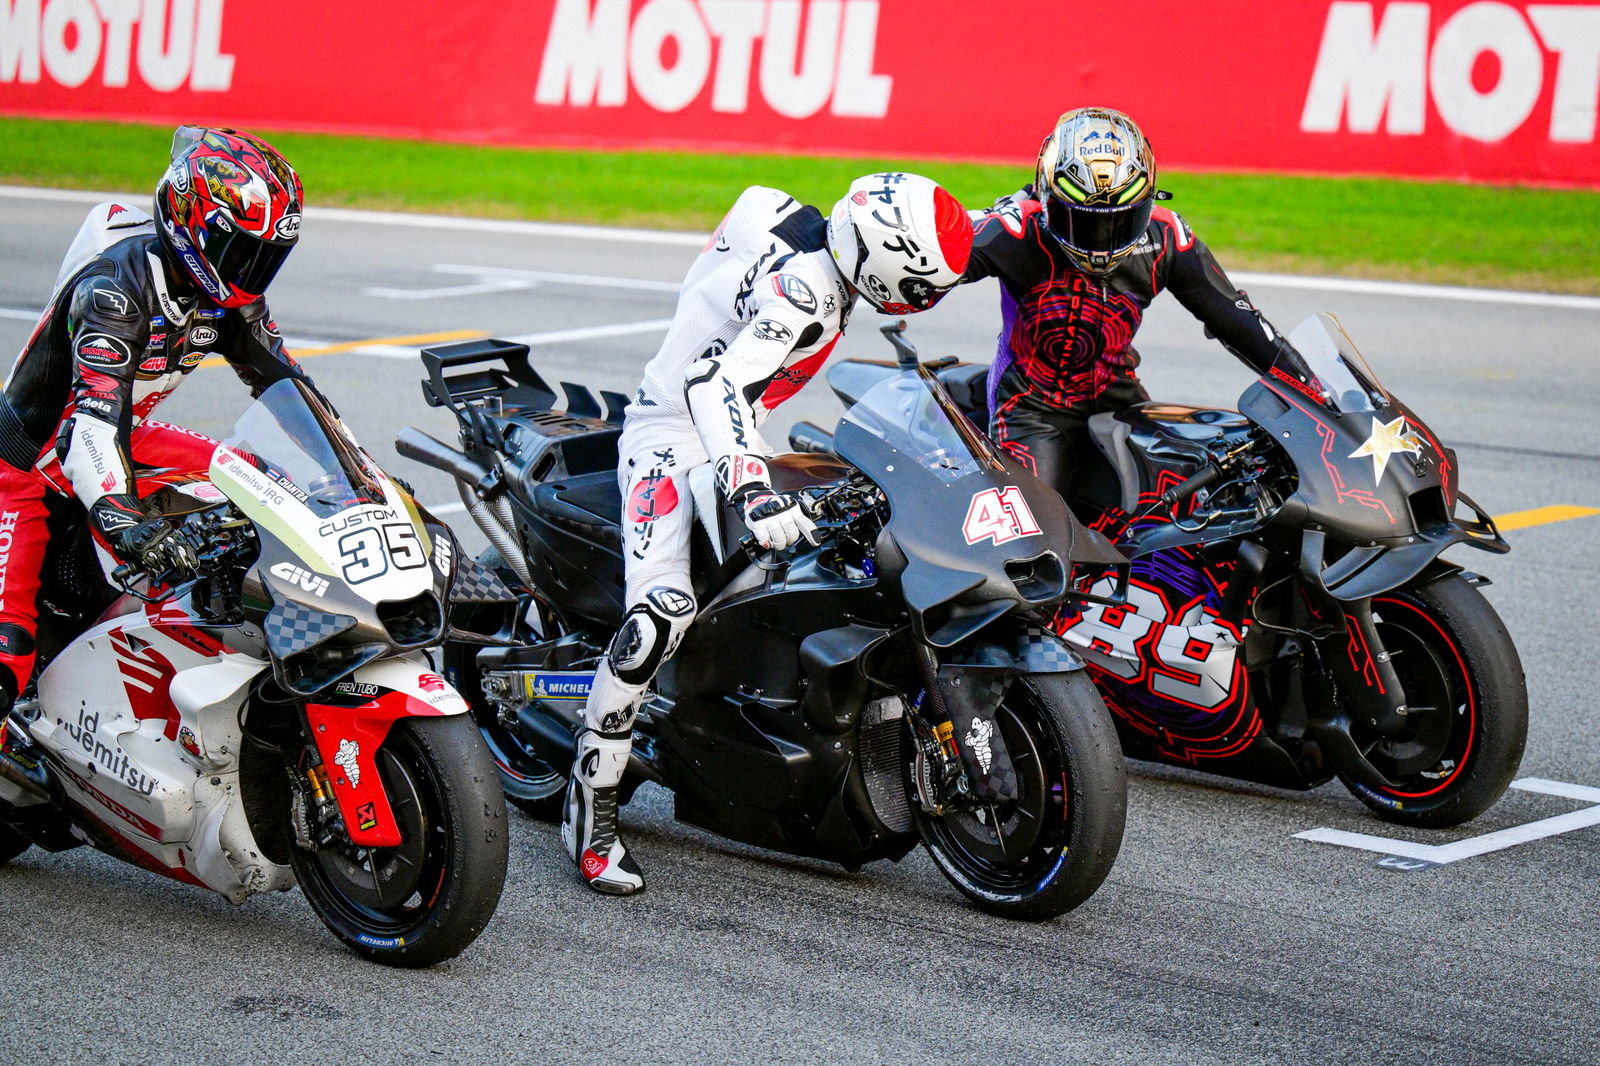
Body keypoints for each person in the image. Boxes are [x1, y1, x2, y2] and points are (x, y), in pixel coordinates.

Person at [564, 172, 973, 895]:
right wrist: (749, 487)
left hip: (742, 427)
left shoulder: (821, 231)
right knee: (662, 615)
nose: (922, 300)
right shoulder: (809, 296)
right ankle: (589, 805)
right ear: (880, 260)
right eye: (918, 285)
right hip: (673, 431)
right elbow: (715, 387)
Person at [0, 126, 324, 725]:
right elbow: (89, 426)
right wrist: (126, 521)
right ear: (190, 224)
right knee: (6, 656)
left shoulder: (228, 298)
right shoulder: (112, 292)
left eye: (264, 258)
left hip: (126, 435)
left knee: (265, 482)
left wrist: (358, 478)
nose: (251, 273)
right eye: (240, 252)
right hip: (27, 464)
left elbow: (289, 387)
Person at [961, 107, 1312, 495]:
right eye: (1083, 220)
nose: (1102, 240)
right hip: (1032, 411)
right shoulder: (1015, 228)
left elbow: (1240, 324)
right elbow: (935, 264)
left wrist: (1322, 395)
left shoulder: (1167, 239)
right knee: (1033, 534)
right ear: (1047, 198)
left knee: (1209, 499)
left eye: (1119, 221)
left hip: (1121, 400)